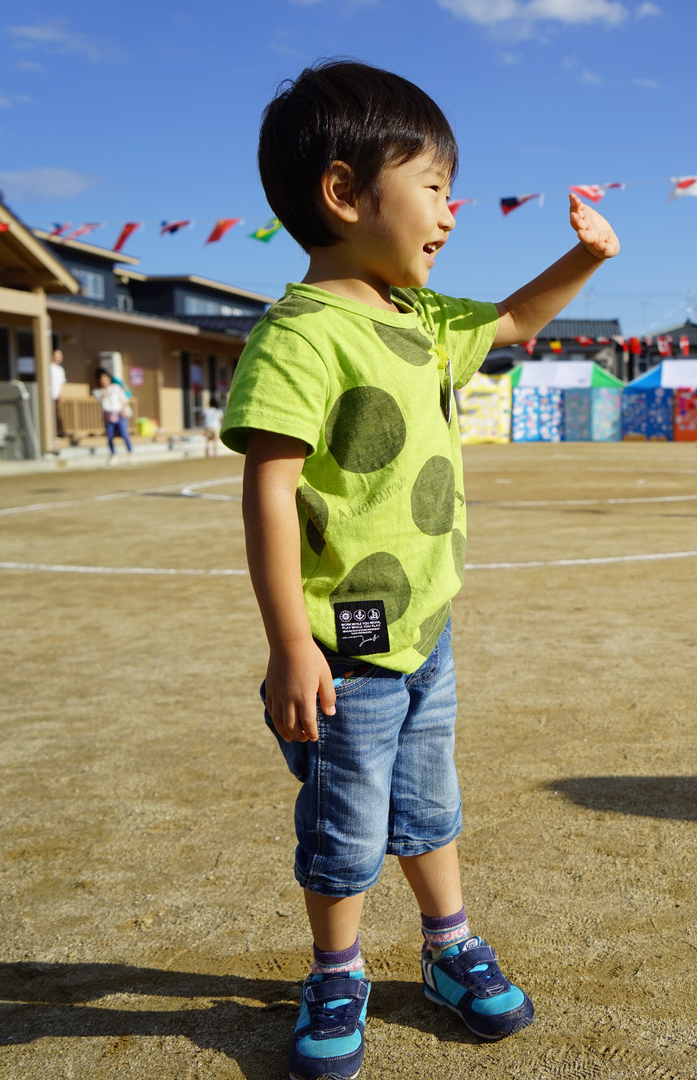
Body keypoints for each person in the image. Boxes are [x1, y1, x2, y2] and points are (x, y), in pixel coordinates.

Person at [220, 60, 618, 1080]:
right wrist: (290, 643)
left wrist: (584, 258)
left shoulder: (423, 320)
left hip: (426, 629)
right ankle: (336, 969)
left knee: (429, 804)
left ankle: (448, 947)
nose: (449, 213)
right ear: (344, 193)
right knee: (345, 827)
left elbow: (518, 321)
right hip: (345, 651)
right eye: (434, 187)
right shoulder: (300, 336)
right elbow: (270, 491)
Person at [93, 367, 133, 463]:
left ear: (109, 378)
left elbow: (124, 399)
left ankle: (131, 453)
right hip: (108, 415)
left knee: (124, 434)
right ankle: (113, 455)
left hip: (119, 413)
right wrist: (104, 395)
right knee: (110, 436)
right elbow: (101, 403)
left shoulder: (115, 387)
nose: (104, 381)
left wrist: (123, 409)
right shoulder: (97, 391)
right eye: (102, 379)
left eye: (105, 378)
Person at [49, 344, 68, 442]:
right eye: (56, 355)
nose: (58, 357)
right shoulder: (49, 368)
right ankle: (52, 434)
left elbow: (61, 384)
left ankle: (58, 433)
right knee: (50, 415)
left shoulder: (60, 369)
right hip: (49, 395)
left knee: (57, 415)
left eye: (60, 355)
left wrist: (61, 395)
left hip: (56, 395)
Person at [201, 391, 223, 458]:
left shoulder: (206, 410)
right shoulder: (219, 411)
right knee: (215, 440)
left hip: (208, 426)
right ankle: (215, 453)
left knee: (208, 439)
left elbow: (202, 418)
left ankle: (207, 452)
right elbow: (221, 419)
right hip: (216, 426)